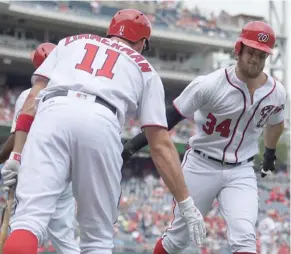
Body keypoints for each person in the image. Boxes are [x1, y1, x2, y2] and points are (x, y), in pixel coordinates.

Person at [1, 9, 206, 254]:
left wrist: (16, 156)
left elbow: (33, 98)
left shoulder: (69, 42)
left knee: (28, 221)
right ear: (142, 42)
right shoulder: (145, 68)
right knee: (97, 239)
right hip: (101, 119)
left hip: (53, 111)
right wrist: (185, 202)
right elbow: (159, 144)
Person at [122, 21, 286, 254]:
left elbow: (276, 124)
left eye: (262, 55)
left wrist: (269, 154)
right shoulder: (209, 84)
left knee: (245, 237)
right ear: (238, 49)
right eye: (251, 52)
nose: (255, 59)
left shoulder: (276, 92)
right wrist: (134, 144)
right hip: (201, 164)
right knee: (177, 239)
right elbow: (171, 117)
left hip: (241, 170)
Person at [0, 42, 79, 254]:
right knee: (64, 238)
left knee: (23, 225)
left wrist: (8, 158)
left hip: (35, 170)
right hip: (65, 172)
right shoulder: (71, 94)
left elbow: (19, 135)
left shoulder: (29, 96)